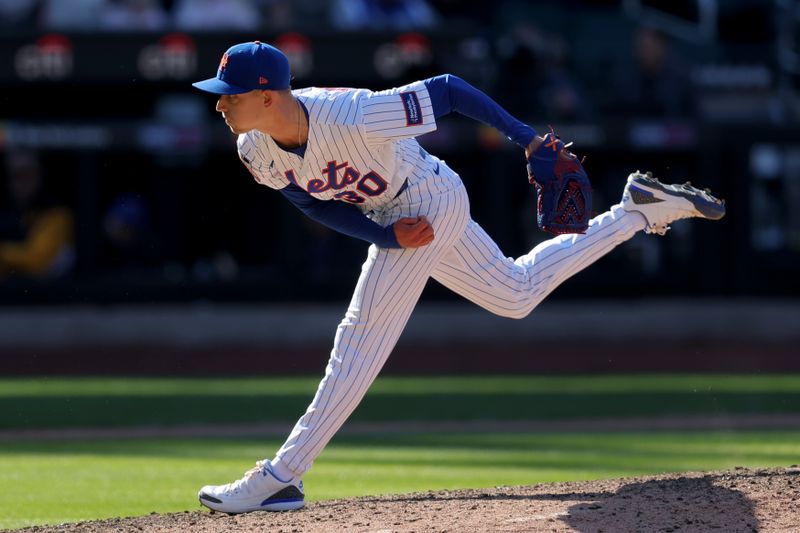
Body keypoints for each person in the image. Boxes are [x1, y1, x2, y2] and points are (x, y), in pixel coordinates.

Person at [191, 41, 725, 514]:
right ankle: (637, 211)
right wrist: (385, 236)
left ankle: (282, 476)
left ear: (268, 96)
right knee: (516, 293)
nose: (219, 104)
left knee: (361, 337)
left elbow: (447, 89)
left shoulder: (353, 113)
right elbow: (310, 202)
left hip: (430, 199)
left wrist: (527, 139)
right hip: (395, 220)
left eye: (230, 95)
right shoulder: (253, 148)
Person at [0, 151, 75, 281]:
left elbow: (38, 260)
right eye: (17, 175)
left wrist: (4, 253)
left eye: (28, 174)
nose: (23, 182)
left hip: (46, 289)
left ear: (40, 175)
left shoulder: (56, 213)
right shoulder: (6, 210)